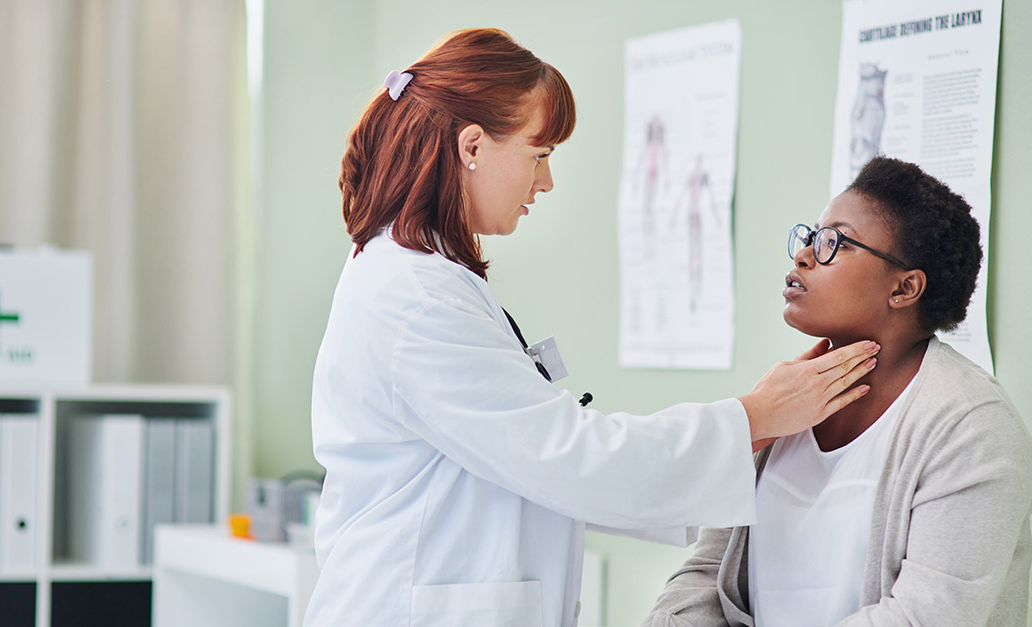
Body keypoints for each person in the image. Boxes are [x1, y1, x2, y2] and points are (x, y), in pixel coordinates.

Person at [307, 29, 880, 627]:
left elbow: (549, 460)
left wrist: (751, 429)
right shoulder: (415, 299)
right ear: (472, 144)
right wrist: (756, 416)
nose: (546, 181)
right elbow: (569, 457)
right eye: (539, 154)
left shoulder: (422, 280)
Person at [642, 156, 1032, 627]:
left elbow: (923, 617)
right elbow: (709, 574)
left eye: (835, 242)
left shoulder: (972, 429)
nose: (804, 255)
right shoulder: (781, 401)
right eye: (811, 236)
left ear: (905, 288)